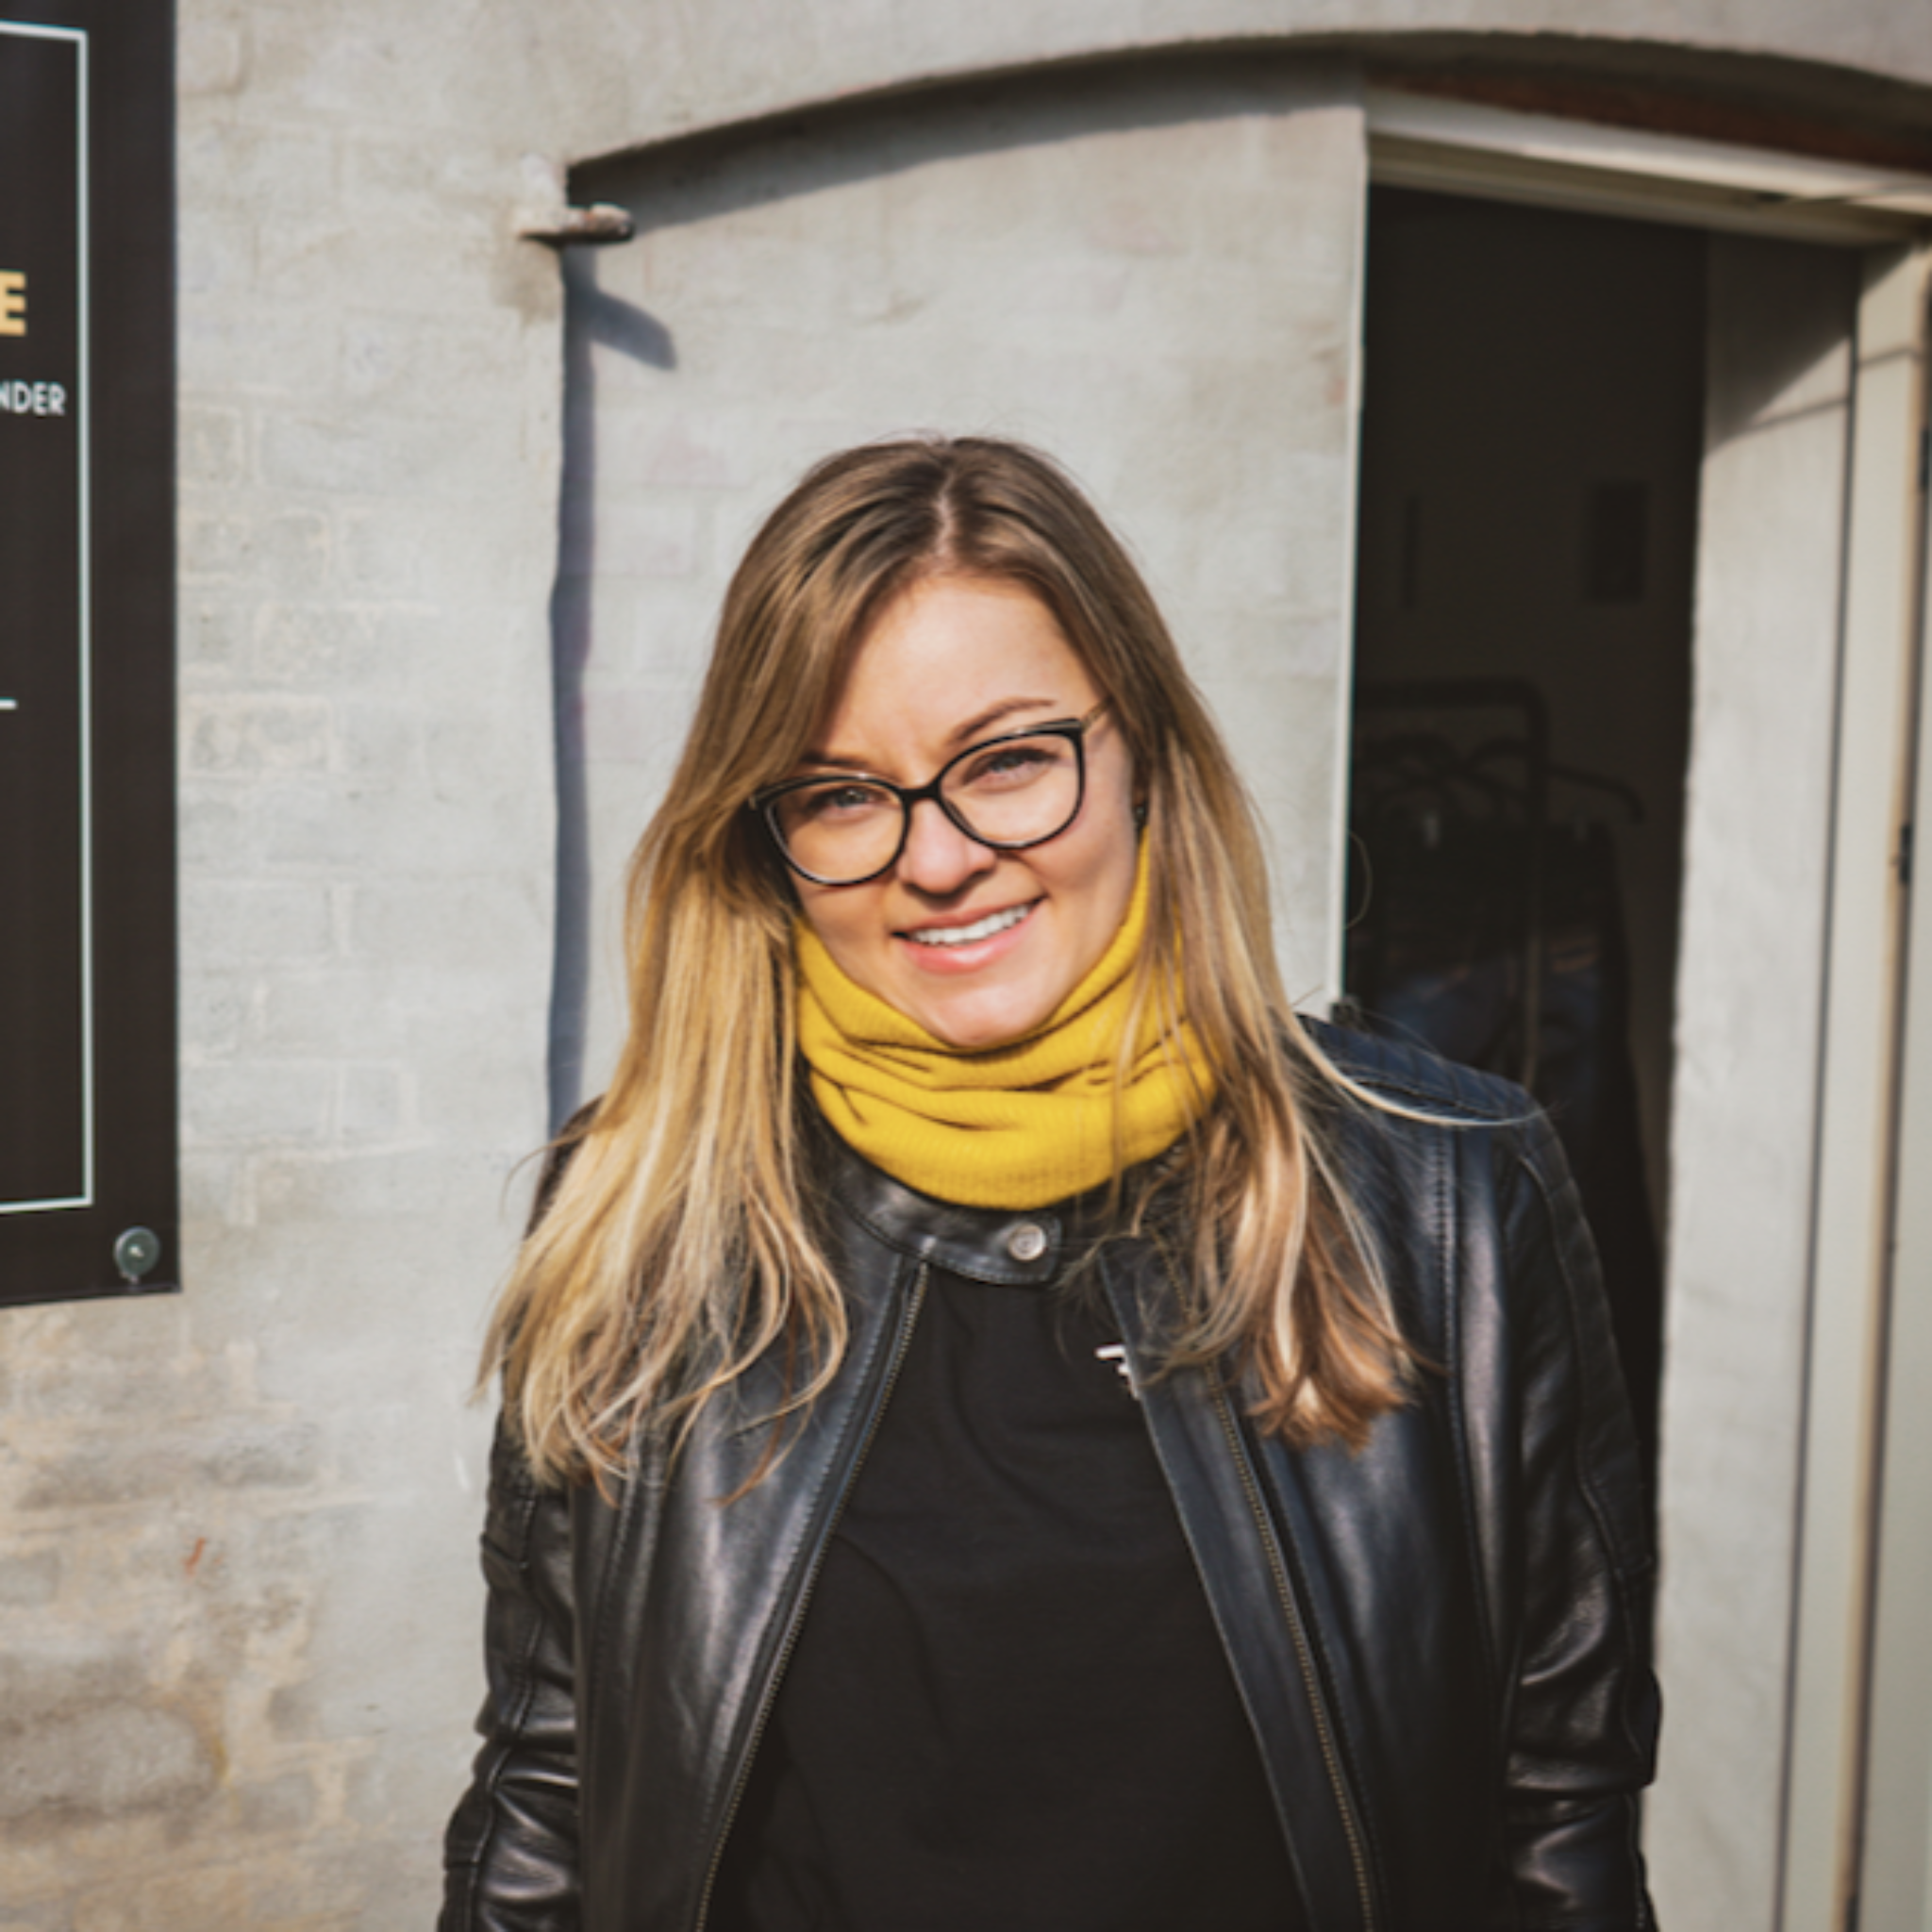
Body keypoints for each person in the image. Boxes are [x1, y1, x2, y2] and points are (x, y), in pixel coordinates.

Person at [441, 437, 1658, 1932]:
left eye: (1009, 759)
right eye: (840, 793)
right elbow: (549, 1792)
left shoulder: (1452, 1204)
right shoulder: (637, 1210)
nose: (936, 858)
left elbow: (1558, 1811)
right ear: (768, 843)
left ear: (1141, 753)